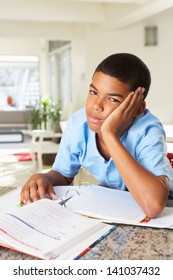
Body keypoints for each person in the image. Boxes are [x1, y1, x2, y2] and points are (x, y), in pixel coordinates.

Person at [20, 53, 173, 219]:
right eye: (93, 92)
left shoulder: (147, 130)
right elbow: (64, 174)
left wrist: (110, 134)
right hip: (116, 204)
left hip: (165, 205)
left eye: (113, 99)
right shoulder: (79, 124)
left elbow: (154, 207)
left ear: (137, 108)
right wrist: (45, 177)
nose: (96, 106)